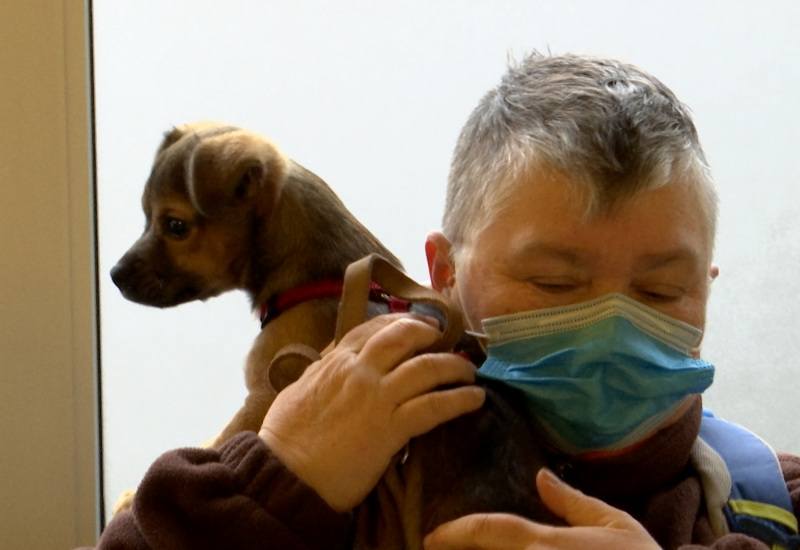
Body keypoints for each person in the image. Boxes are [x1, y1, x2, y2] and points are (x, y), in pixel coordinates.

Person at [83, 52, 800, 550]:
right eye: (553, 283)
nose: (609, 323)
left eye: (659, 290)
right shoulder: (343, 476)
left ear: (705, 290)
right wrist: (275, 486)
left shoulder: (772, 506)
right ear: (444, 273)